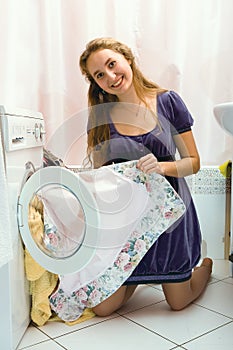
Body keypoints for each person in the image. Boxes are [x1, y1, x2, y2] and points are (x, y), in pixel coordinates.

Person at [79, 37, 213, 317]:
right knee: (104, 308)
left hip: (169, 213)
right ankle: (140, 274)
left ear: (128, 59)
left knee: (177, 303)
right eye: (100, 75)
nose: (111, 77)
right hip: (127, 217)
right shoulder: (100, 116)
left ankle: (205, 267)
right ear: (96, 83)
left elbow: (194, 162)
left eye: (112, 64)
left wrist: (162, 167)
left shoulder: (167, 102)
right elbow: (101, 173)